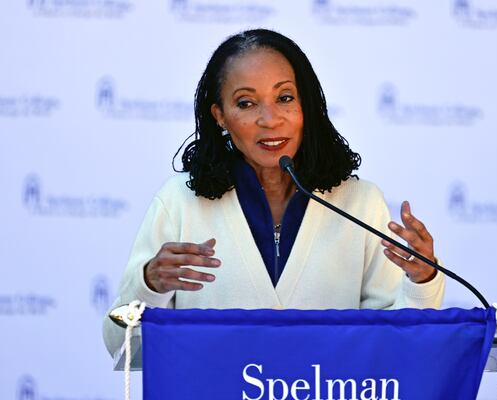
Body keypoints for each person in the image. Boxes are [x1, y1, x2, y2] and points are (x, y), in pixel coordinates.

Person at [102, 29, 445, 355]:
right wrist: (150, 285)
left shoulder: (361, 204)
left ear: (306, 106)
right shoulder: (179, 202)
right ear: (220, 116)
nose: (270, 119)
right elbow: (121, 344)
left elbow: (396, 345)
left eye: (284, 98)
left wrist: (422, 279)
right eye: (246, 103)